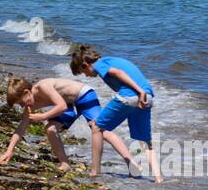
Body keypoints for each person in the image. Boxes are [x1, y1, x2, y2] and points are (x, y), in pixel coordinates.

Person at [0, 75, 137, 174]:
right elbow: (21, 128)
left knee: (101, 132)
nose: (22, 106)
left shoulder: (43, 87)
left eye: (21, 102)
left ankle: (131, 162)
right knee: (50, 128)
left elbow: (62, 106)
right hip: (70, 104)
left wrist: (43, 116)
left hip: (83, 95)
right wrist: (9, 150)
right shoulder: (31, 104)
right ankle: (65, 163)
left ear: (27, 92)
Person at [70, 44, 163, 182]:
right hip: (147, 98)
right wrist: (142, 92)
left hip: (132, 95)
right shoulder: (111, 59)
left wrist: (139, 91)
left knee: (96, 127)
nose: (87, 76)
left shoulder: (100, 64)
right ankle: (158, 178)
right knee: (146, 143)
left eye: (84, 72)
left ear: (85, 65)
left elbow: (118, 73)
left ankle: (95, 171)